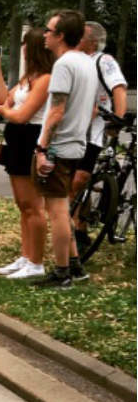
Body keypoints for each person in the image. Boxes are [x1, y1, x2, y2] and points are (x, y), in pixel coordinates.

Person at [32, 9, 97, 288]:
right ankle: (74, 265)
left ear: (60, 36)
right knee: (63, 208)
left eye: (48, 30)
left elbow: (57, 111)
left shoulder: (63, 65)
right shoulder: (87, 63)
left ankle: (61, 274)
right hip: (76, 145)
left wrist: (41, 148)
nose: (44, 34)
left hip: (58, 147)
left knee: (57, 211)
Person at [0, 28, 54, 280]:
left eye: (26, 45)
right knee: (22, 204)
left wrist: (4, 112)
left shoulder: (45, 78)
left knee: (33, 205)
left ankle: (36, 261)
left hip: (30, 139)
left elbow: (21, 113)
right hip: (17, 139)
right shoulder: (29, 77)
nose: (23, 49)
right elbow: (6, 98)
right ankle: (26, 255)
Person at [72, 20, 129, 253]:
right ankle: (78, 225)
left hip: (93, 132)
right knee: (75, 182)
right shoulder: (77, 60)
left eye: (81, 36)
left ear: (92, 41)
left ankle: (79, 227)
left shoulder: (103, 60)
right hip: (76, 130)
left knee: (80, 179)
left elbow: (118, 88)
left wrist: (117, 118)